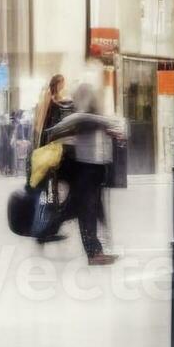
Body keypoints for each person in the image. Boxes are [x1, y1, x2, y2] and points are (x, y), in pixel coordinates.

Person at [44, 79, 128, 265]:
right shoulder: (83, 118)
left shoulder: (91, 118)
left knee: (80, 209)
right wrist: (106, 123)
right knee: (87, 211)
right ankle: (93, 253)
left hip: (95, 169)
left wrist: (108, 128)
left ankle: (47, 231)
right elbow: (63, 126)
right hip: (86, 168)